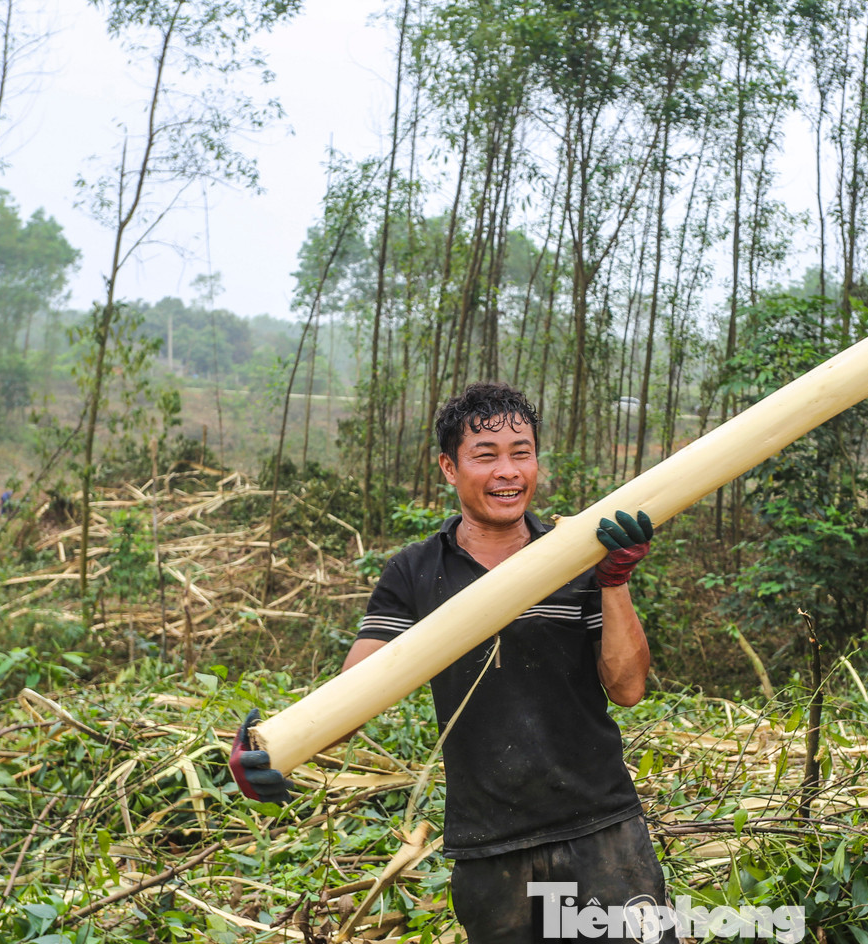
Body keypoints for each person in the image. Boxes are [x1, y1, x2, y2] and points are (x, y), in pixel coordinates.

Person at [234, 381, 675, 943]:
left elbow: (628, 688)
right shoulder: (415, 574)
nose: (508, 472)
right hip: (491, 847)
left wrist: (614, 581)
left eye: (522, 453)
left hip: (603, 828)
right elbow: (353, 697)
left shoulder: (577, 555)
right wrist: (270, 747)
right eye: (485, 456)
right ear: (449, 467)